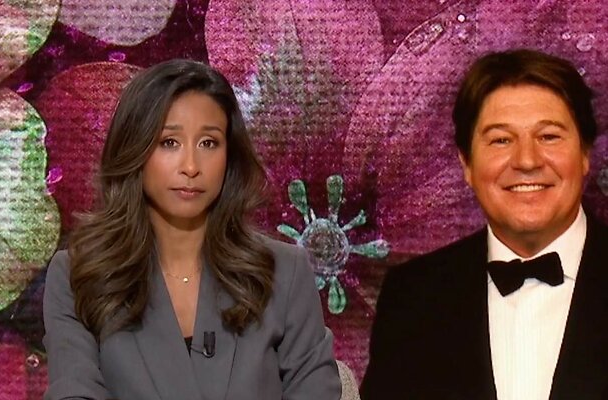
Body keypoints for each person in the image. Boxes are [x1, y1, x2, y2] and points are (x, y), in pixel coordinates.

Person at [43, 59, 341, 400]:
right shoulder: (79, 276)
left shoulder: (285, 273)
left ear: (229, 156)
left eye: (208, 143)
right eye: (169, 142)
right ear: (135, 149)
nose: (190, 166)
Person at [361, 49, 608, 399]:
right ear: (466, 164)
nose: (526, 161)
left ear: (585, 154)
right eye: (501, 140)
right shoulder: (411, 298)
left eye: (549, 136)